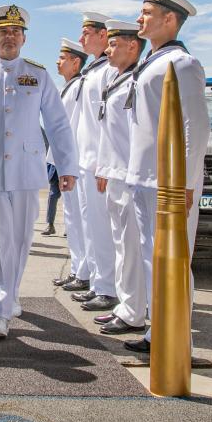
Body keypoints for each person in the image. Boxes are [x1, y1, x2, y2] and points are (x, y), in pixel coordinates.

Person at [0, 4, 78, 338]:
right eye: (3, 32)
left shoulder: (38, 75)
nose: (10, 37)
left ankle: (11, 294)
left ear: (23, 38)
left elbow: (58, 124)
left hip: (27, 172)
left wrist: (67, 165)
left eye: (16, 32)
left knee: (19, 241)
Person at [122, 0, 209, 354]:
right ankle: (158, 334)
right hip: (144, 179)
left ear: (169, 19)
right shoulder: (154, 62)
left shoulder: (182, 64)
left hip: (168, 183)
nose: (139, 18)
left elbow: (195, 127)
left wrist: (186, 183)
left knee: (173, 262)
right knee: (151, 259)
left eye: (147, 13)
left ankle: (176, 340)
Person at [93, 20, 149, 335]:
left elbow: (136, 135)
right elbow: (107, 132)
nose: (109, 49)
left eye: (115, 44)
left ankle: (132, 312)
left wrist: (126, 173)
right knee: (121, 244)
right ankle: (127, 306)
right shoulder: (116, 80)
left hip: (130, 176)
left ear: (133, 46)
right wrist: (104, 167)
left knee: (131, 247)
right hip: (115, 174)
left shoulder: (135, 81)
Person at [71, 12, 120, 311]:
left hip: (98, 162)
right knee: (90, 226)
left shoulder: (109, 71)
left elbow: (109, 122)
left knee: (104, 228)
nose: (81, 39)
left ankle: (108, 287)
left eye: (87, 32)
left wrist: (104, 162)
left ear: (104, 36)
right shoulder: (93, 70)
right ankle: (99, 281)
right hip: (85, 160)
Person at [48, 38, 92, 292]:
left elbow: (73, 130)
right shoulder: (68, 87)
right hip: (65, 163)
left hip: (74, 165)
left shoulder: (79, 87)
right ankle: (78, 269)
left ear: (76, 62)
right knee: (72, 220)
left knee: (81, 220)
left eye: (62, 58)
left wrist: (68, 166)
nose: (58, 61)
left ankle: (84, 272)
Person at [41, 163, 61, 236]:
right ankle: (50, 225)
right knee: (52, 197)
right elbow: (48, 157)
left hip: (69, 172)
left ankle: (69, 227)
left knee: (68, 202)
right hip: (54, 172)